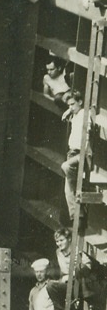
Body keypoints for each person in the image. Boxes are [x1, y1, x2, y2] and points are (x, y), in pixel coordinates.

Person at [61, 92, 93, 222]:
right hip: (72, 153)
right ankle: (76, 215)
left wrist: (86, 153)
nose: (71, 107)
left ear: (80, 102)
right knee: (67, 188)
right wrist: (68, 110)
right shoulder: (74, 113)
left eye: (73, 104)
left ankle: (77, 214)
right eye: (68, 105)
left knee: (65, 166)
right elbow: (71, 111)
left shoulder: (85, 114)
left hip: (82, 153)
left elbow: (88, 131)